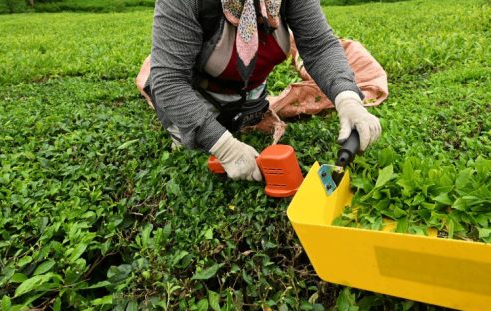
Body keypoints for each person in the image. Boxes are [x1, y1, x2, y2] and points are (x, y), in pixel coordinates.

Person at [145, 0, 382, 181]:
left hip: (251, 94)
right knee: (193, 145)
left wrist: (348, 99)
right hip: (199, 97)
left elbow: (318, 46)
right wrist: (223, 147)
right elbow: (169, 80)